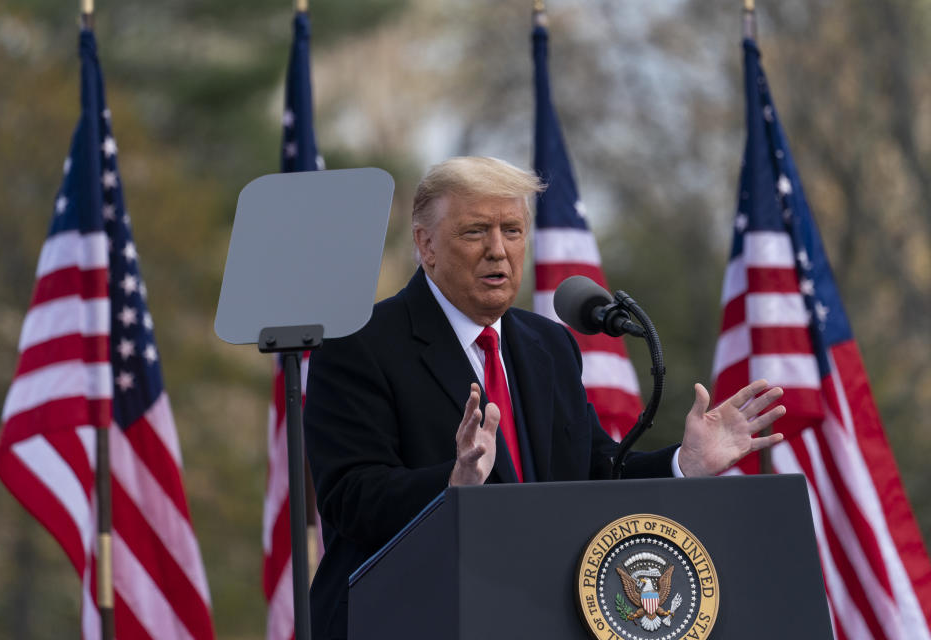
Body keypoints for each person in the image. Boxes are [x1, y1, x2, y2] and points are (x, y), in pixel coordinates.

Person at [303, 156, 785, 639]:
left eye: (512, 230)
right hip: (411, 618)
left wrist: (683, 462)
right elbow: (350, 497)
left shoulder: (548, 346)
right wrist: (452, 486)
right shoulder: (360, 344)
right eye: (475, 232)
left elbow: (594, 472)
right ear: (425, 244)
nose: (498, 250)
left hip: (536, 616)